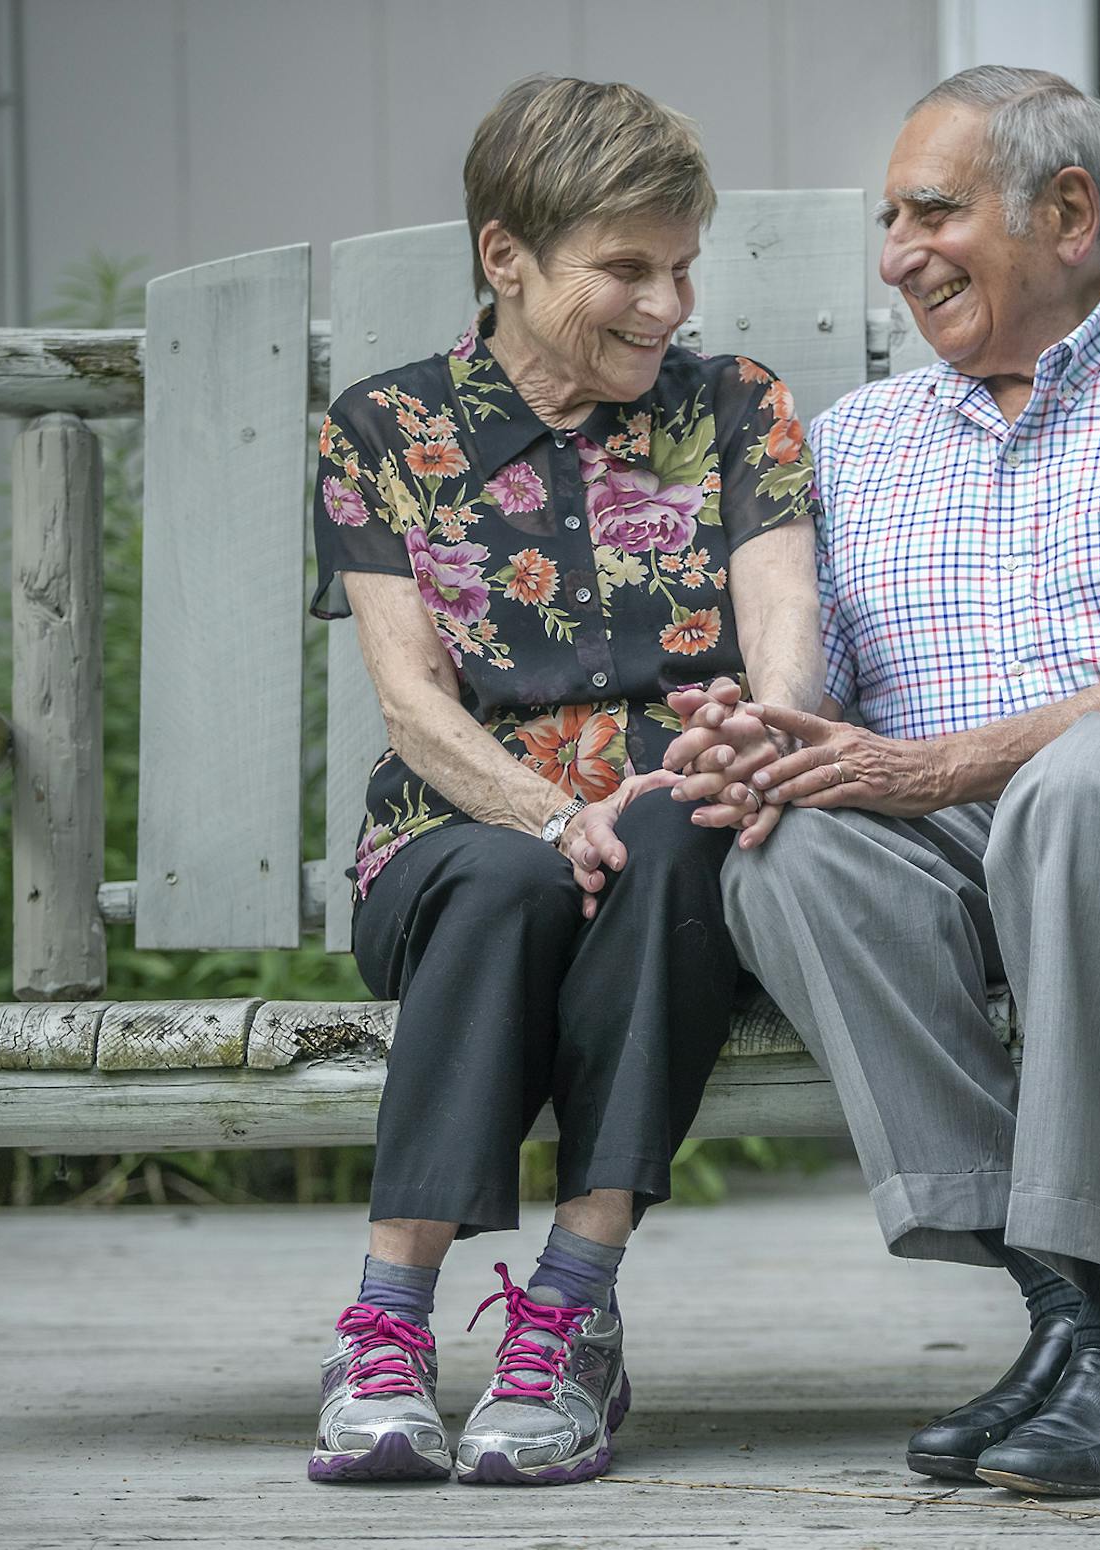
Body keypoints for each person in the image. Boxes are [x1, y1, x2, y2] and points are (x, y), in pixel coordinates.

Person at [665, 66, 1100, 1497]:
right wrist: (760, 742)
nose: (898, 255)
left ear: (1068, 213)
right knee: (789, 851)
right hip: (970, 841)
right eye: (889, 222)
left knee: (1085, 780)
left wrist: (939, 765)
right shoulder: (860, 441)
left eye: (932, 212)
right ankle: (1085, 1324)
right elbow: (825, 704)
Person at [306, 75, 822, 1485]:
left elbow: (784, 634)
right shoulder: (387, 430)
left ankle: (570, 1311)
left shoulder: (737, 408)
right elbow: (413, 701)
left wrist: (759, 734)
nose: (668, 306)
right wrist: (545, 810)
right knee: (507, 880)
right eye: (627, 269)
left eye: (683, 268)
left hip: (675, 832)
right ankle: (387, 1327)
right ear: (507, 257)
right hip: (463, 828)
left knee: (677, 838)